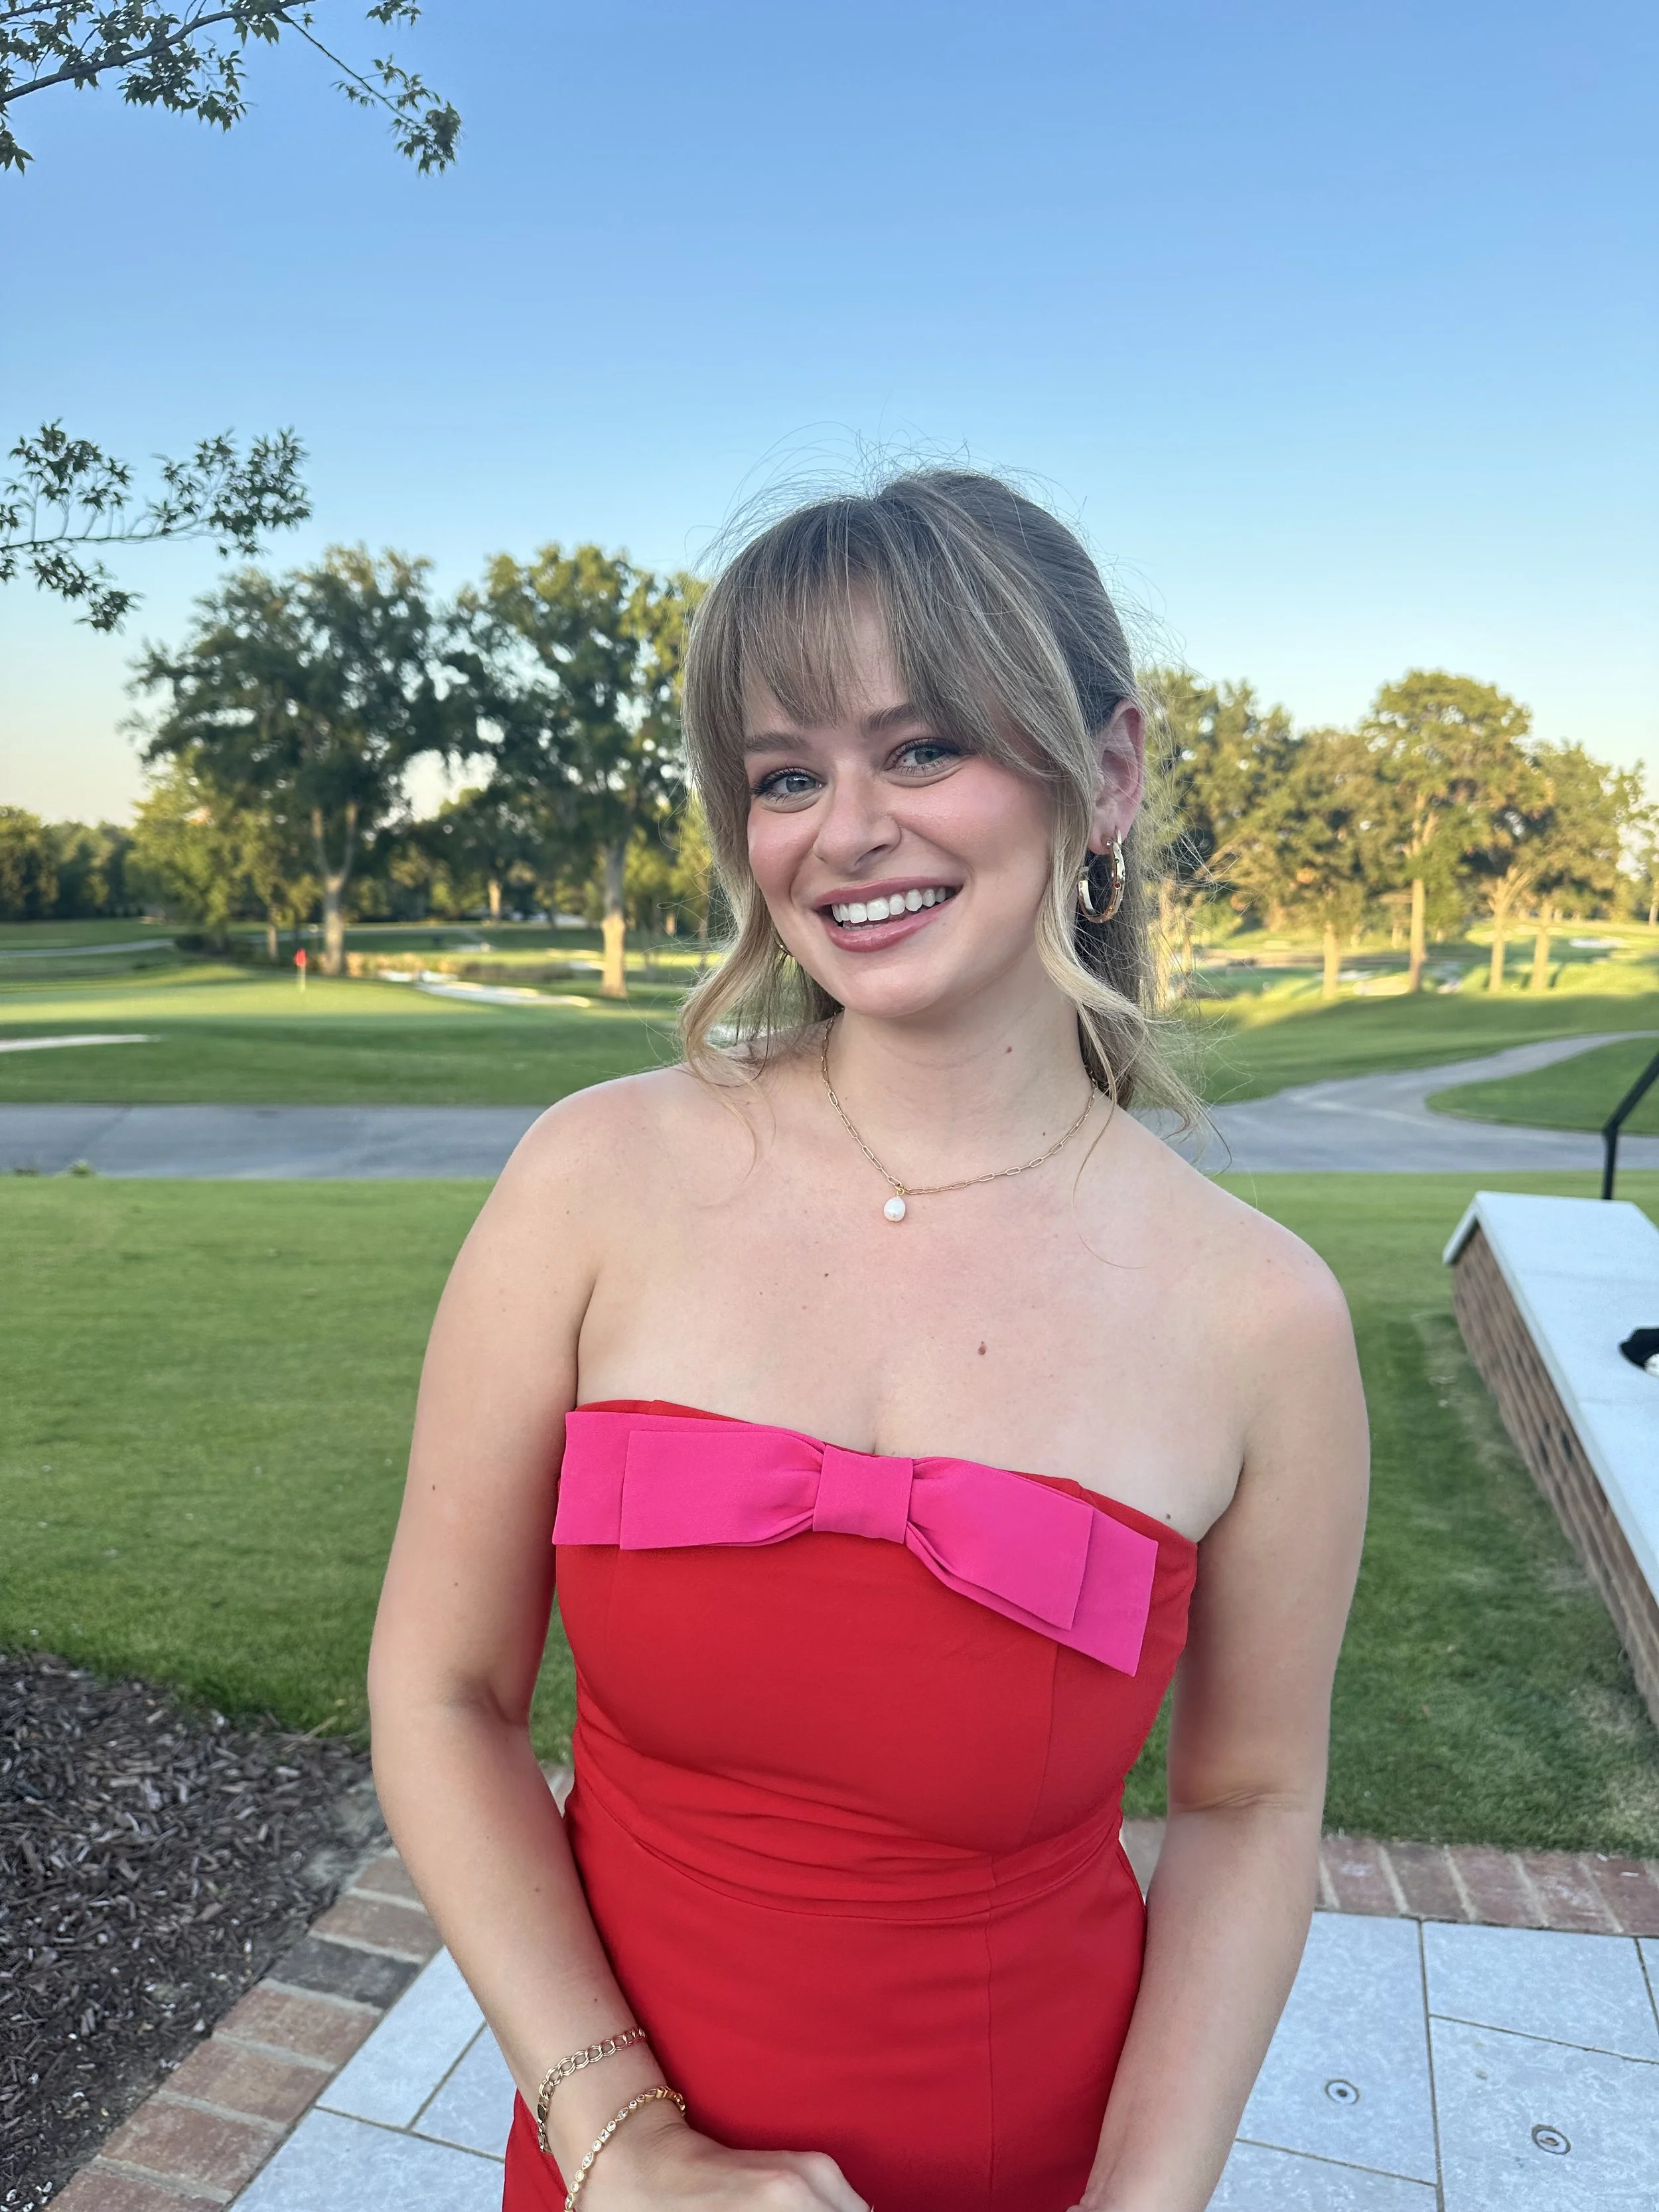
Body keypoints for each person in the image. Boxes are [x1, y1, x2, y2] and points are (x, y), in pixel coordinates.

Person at [367, 469, 1370, 2212]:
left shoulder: (1258, 1316)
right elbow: (438, 1694)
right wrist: (624, 2144)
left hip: (1029, 2161)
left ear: (1107, 775)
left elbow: (1250, 1805)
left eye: (921, 749)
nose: (846, 831)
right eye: (785, 775)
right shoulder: (592, 1180)